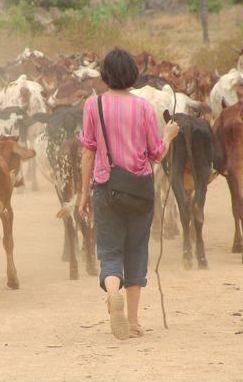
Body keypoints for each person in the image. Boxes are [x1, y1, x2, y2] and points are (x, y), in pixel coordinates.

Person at [78, 48, 179, 340]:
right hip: (140, 190)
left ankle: (113, 293)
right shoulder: (145, 108)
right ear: (133, 74)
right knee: (136, 252)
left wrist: (84, 194)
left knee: (110, 252)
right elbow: (157, 154)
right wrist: (169, 135)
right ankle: (133, 322)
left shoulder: (92, 106)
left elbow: (88, 153)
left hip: (106, 188)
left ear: (105, 74)